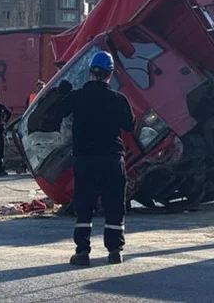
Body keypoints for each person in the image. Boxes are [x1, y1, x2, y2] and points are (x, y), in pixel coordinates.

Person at [58, 51, 135, 266]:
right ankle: (115, 251)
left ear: (91, 71)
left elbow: (58, 112)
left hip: (85, 159)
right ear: (110, 75)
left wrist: (62, 93)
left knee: (84, 204)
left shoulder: (77, 97)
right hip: (112, 158)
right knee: (114, 204)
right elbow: (130, 125)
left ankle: (82, 252)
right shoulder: (118, 99)